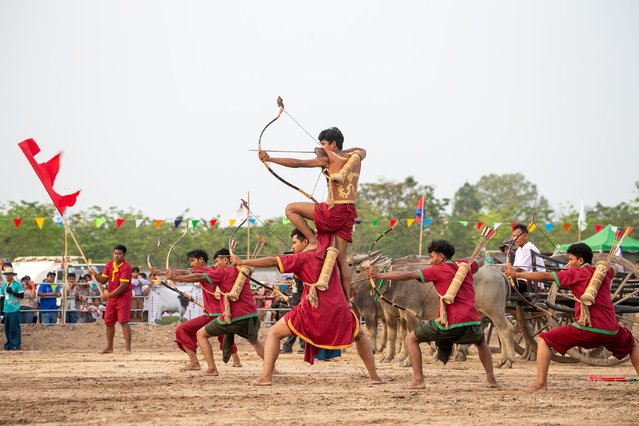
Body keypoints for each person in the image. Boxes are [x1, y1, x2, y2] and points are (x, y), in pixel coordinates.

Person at [231, 229, 381, 386]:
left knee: (274, 333)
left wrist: (243, 262)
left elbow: (273, 261)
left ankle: (266, 377)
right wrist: (346, 299)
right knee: (360, 335)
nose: (293, 246)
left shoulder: (303, 257)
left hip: (313, 308)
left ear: (306, 242)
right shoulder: (328, 255)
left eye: (295, 242)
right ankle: (374, 377)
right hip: (338, 305)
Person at [505, 243, 639, 391]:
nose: (568, 263)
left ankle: (540, 383)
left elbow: (545, 276)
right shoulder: (603, 273)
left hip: (588, 329)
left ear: (580, 261)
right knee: (632, 344)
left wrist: (517, 274)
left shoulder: (575, 274)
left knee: (544, 339)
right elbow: (612, 269)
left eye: (570, 259)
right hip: (612, 331)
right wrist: (603, 265)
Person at [367, 239, 497, 390]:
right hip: (472, 320)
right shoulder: (465, 266)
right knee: (481, 342)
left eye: (432, 257)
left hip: (451, 322)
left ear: (441, 257)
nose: (430, 260)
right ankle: (491, 380)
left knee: (411, 338)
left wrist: (379, 276)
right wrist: (461, 263)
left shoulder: (437, 270)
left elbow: (407, 275)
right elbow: (480, 260)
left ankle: (418, 380)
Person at [258, 127, 366, 302]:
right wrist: (325, 151)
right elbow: (360, 149)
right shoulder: (354, 157)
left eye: (324, 144)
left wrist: (271, 159)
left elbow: (299, 163)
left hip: (334, 211)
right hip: (349, 212)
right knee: (342, 260)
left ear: (333, 144)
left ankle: (312, 240)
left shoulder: (329, 158)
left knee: (290, 209)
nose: (321, 147)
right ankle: (347, 301)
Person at [166, 248, 265, 377]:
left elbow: (198, 276)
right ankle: (271, 367)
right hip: (250, 314)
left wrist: (176, 278)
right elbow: (194, 273)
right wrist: (176, 276)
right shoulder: (241, 270)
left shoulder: (221, 273)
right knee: (254, 340)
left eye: (217, 261)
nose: (215, 264)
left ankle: (211, 368)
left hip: (234, 315)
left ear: (225, 260)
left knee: (201, 334)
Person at [170, 249, 241, 372]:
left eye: (193, 260)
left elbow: (189, 273)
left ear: (201, 260)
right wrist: (167, 273)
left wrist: (171, 275)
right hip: (221, 312)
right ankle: (237, 361)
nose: (191, 264)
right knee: (223, 335)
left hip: (212, 314)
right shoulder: (215, 269)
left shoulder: (204, 271)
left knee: (182, 330)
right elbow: (187, 271)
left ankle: (194, 362)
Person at [88, 244, 133, 353]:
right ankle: (109, 347)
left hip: (123, 297)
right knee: (108, 321)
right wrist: (94, 275)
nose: (116, 256)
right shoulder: (109, 264)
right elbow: (103, 280)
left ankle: (127, 348)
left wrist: (108, 295)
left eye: (119, 254)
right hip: (112, 297)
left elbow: (123, 286)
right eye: (115, 253)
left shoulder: (126, 267)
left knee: (123, 321)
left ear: (124, 255)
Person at [511, 224, 546, 293]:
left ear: (526, 236)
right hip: (522, 280)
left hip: (532, 283)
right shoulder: (519, 250)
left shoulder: (528, 248)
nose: (515, 238)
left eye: (518, 235)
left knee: (504, 283)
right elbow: (515, 268)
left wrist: (506, 272)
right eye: (514, 236)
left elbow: (519, 268)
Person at [280, 276, 305, 354]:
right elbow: (295, 291)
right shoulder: (296, 276)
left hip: (301, 304)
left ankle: (302, 346)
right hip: (295, 303)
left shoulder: (303, 276)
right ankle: (288, 346)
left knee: (300, 324)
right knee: (295, 324)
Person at [1, 267, 23, 350]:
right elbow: (2, 298)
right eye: (6, 274)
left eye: (9, 274)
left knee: (14, 327)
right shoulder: (3, 285)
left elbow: (22, 296)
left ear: (12, 275)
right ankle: (9, 343)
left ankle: (15, 344)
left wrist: (12, 292)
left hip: (14, 309)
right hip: (6, 309)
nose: (7, 276)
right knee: (7, 328)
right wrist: (1, 311)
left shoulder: (17, 284)